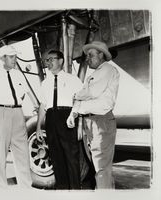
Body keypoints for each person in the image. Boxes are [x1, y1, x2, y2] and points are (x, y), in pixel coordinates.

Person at [66, 41, 120, 189]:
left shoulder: (107, 69)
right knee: (99, 167)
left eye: (91, 55)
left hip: (100, 121)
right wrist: (75, 109)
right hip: (90, 121)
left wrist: (77, 98)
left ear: (101, 54)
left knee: (101, 168)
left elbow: (91, 93)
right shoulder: (95, 74)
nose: (87, 59)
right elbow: (83, 97)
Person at [36, 50, 88, 189]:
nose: (49, 62)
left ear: (61, 61)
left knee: (71, 157)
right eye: (47, 60)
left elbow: (80, 99)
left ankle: (75, 190)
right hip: (51, 118)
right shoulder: (45, 83)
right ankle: (62, 189)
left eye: (52, 59)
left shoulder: (72, 80)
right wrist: (38, 127)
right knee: (56, 157)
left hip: (67, 117)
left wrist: (78, 121)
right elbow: (43, 105)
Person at [0, 45, 32, 188]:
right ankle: (2, 191)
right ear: (3, 58)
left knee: (22, 154)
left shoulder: (18, 74)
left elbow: (25, 93)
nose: (14, 60)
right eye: (12, 57)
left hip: (18, 113)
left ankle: (26, 190)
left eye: (15, 57)